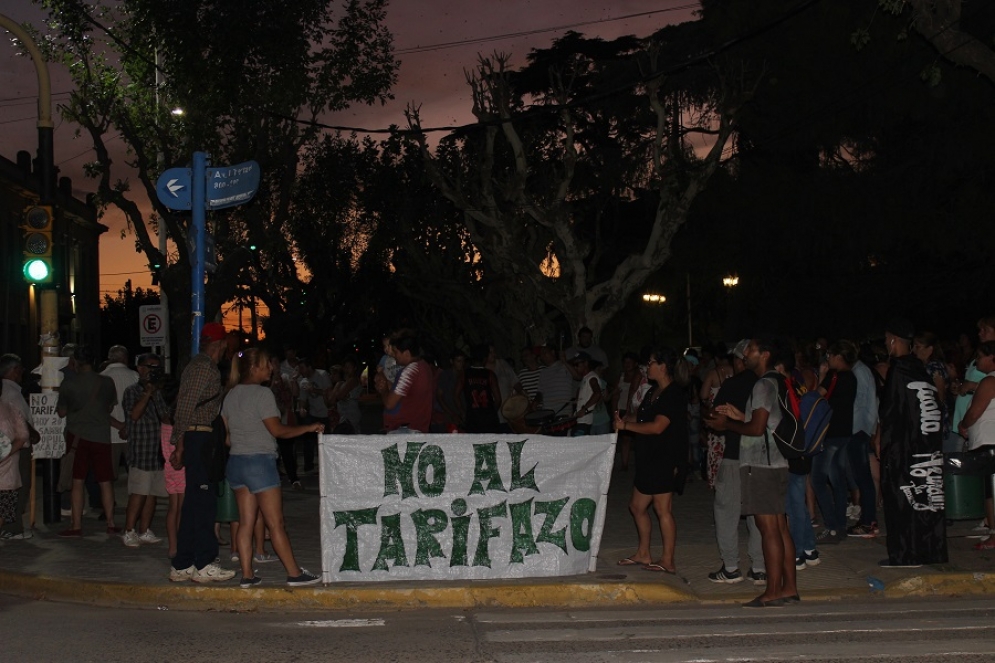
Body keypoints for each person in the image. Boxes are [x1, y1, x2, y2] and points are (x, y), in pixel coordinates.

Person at [223, 348, 324, 587]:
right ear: (254, 368)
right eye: (267, 364)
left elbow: (226, 437)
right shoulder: (262, 394)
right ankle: (294, 573)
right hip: (259, 463)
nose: (271, 368)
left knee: (246, 523)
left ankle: (247, 575)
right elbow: (278, 431)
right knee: (275, 523)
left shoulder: (230, 395)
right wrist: (308, 428)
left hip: (236, 462)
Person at [710, 338, 799, 607]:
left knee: (768, 528)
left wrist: (729, 424)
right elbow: (767, 422)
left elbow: (757, 429)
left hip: (763, 464)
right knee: (780, 528)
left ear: (765, 354)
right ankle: (788, 588)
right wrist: (740, 416)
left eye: (751, 350)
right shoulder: (777, 380)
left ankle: (772, 591)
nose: (745, 354)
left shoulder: (762, 384)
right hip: (778, 462)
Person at [168, 322, 235, 583]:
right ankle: (204, 562)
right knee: (204, 503)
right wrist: (179, 443)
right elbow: (185, 406)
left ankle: (184, 564)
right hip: (199, 438)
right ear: (218, 344)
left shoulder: (202, 367)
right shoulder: (203, 368)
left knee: (195, 503)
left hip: (199, 437)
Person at [614, 347, 689, 574]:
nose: (648, 367)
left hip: (665, 458)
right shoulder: (653, 391)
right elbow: (645, 417)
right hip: (648, 457)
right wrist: (626, 418)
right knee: (636, 507)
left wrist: (626, 426)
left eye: (651, 363)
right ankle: (644, 553)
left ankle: (668, 560)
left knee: (662, 509)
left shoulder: (674, 394)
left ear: (663, 367)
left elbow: (658, 426)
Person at [878, 318, 947, 568]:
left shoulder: (898, 369)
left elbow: (892, 412)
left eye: (887, 340)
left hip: (905, 448)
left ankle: (905, 554)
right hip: (925, 446)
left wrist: (884, 444)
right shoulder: (919, 368)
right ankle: (928, 551)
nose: (885, 344)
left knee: (902, 499)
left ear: (894, 341)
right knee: (926, 498)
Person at [705, 339, 767, 584]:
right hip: (761, 458)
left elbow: (714, 418)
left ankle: (731, 566)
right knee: (757, 513)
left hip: (735, 454)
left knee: (726, 510)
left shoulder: (733, 384)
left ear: (740, 360)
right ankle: (759, 567)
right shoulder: (766, 384)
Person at [56, 346, 121, 537]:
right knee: (105, 480)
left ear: (75, 361)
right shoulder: (106, 382)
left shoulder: (69, 384)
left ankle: (76, 525)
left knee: (78, 481)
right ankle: (110, 522)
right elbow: (109, 408)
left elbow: (61, 412)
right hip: (101, 435)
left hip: (77, 436)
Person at [120, 353, 169, 547]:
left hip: (157, 450)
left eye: (157, 368)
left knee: (152, 493)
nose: (153, 372)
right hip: (141, 449)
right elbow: (134, 415)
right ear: (140, 368)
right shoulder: (132, 391)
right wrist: (147, 393)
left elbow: (165, 417)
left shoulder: (158, 392)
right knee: (138, 492)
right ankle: (129, 530)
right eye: (150, 367)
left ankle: (144, 529)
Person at [811, 340, 858, 544]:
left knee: (818, 479)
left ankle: (831, 526)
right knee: (838, 480)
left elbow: (818, 397)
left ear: (839, 357)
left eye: (830, 355)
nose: (827, 359)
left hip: (829, 434)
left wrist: (821, 376)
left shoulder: (835, 375)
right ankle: (839, 527)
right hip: (844, 432)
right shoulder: (852, 377)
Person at [957, 340, 995, 550]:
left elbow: (975, 412)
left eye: (980, 356)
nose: (976, 361)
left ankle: (994, 534)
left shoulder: (990, 381)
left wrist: (963, 424)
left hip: (989, 440)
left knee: (990, 490)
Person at [0, 354, 39, 540]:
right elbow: (22, 429)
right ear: (14, 370)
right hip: (14, 447)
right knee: (15, 488)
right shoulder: (11, 394)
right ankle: (12, 528)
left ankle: (9, 526)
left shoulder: (6, 392)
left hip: (6, 447)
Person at [847, 350, 881, 539]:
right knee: (863, 477)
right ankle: (869, 519)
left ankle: (868, 522)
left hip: (858, 429)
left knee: (864, 478)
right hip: (862, 428)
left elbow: (859, 403)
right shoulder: (862, 370)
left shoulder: (859, 371)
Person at [376, 330, 434, 433]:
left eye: (396, 352)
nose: (393, 355)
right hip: (414, 429)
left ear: (406, 353)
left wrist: (383, 390)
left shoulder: (409, 371)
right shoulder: (423, 366)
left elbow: (390, 404)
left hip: (405, 430)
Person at [100, 345, 138, 479]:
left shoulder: (101, 377)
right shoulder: (135, 376)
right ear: (125, 358)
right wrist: (126, 426)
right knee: (136, 477)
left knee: (107, 478)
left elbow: (99, 409)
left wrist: (118, 425)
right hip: (132, 433)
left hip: (109, 434)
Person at [0, 379, 29, 538]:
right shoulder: (11, 408)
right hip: (8, 467)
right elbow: (23, 435)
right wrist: (9, 451)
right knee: (3, 507)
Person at [268, 356, 301, 489]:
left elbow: (295, 394)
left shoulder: (286, 378)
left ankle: (293, 478)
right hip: (271, 419)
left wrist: (293, 380)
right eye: (273, 363)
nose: (275, 366)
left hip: (285, 418)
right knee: (273, 450)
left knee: (287, 449)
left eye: (276, 362)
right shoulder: (265, 381)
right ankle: (274, 478)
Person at [296, 358, 331, 473]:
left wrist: (314, 390)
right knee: (309, 440)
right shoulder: (303, 381)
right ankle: (309, 465)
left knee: (326, 440)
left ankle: (327, 465)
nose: (301, 371)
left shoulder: (322, 375)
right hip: (313, 413)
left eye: (302, 368)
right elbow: (303, 398)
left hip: (325, 412)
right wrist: (302, 408)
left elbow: (329, 392)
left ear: (309, 367)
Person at [460, 344, 502, 434]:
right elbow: (498, 399)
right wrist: (491, 413)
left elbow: (455, 395)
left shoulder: (464, 374)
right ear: (485, 358)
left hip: (472, 417)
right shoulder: (490, 374)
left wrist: (463, 412)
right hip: (489, 418)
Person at [571, 352, 608, 435]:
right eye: (574, 365)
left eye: (577, 364)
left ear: (586, 363)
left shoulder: (592, 377)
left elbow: (597, 393)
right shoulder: (585, 378)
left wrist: (584, 409)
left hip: (585, 421)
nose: (575, 367)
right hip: (580, 420)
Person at [536, 344, 576, 418]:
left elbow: (577, 376)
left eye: (545, 353)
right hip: (548, 413)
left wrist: (564, 361)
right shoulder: (543, 372)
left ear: (553, 352)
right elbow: (540, 391)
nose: (542, 356)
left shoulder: (564, 366)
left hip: (564, 412)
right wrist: (535, 402)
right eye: (541, 355)